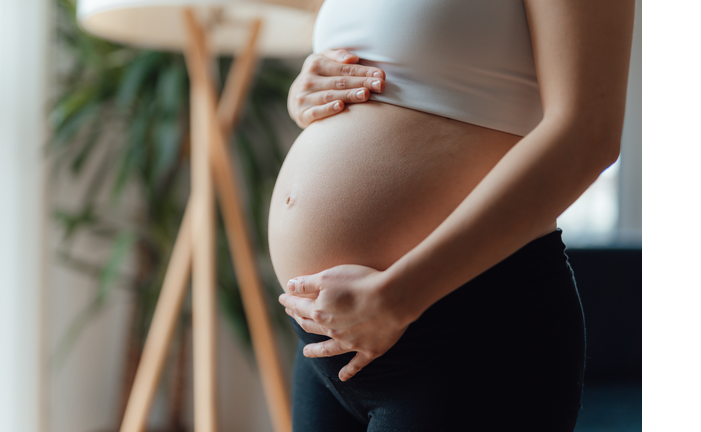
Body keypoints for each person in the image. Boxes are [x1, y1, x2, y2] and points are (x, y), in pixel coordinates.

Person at [268, 0, 635, 430]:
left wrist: (398, 296)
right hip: (331, 338)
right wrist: (308, 95)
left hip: (470, 331)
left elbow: (587, 134)